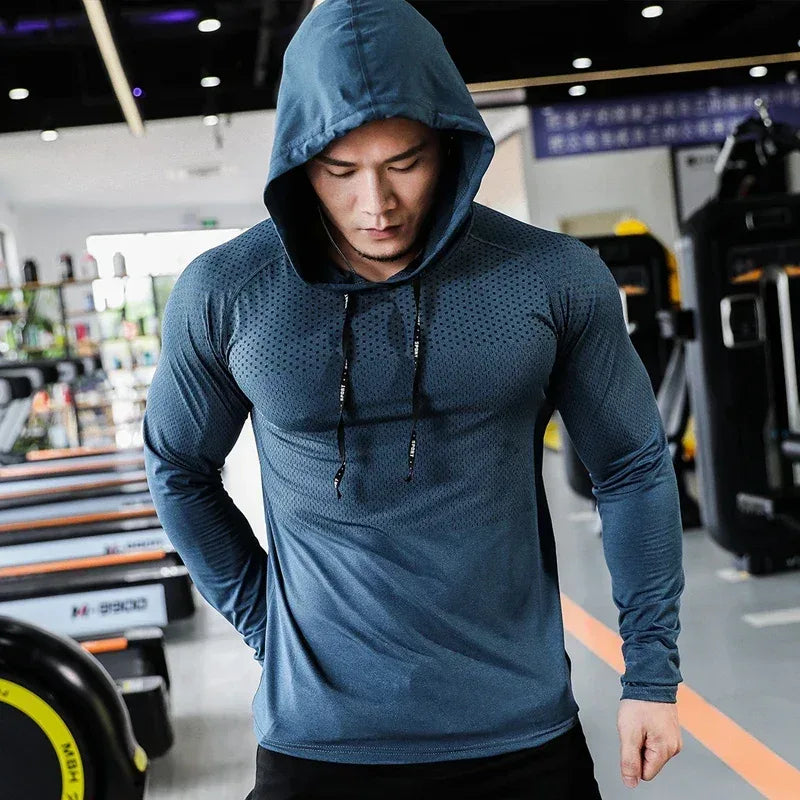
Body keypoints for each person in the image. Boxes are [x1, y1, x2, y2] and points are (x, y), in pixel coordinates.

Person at [142, 0, 685, 797]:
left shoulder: (551, 277)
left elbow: (633, 466)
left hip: (521, 737)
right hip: (317, 748)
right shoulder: (229, 292)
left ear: (451, 145)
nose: (376, 205)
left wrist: (650, 672)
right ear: (299, 162)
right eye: (339, 171)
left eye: (405, 163)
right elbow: (178, 468)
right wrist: (270, 624)